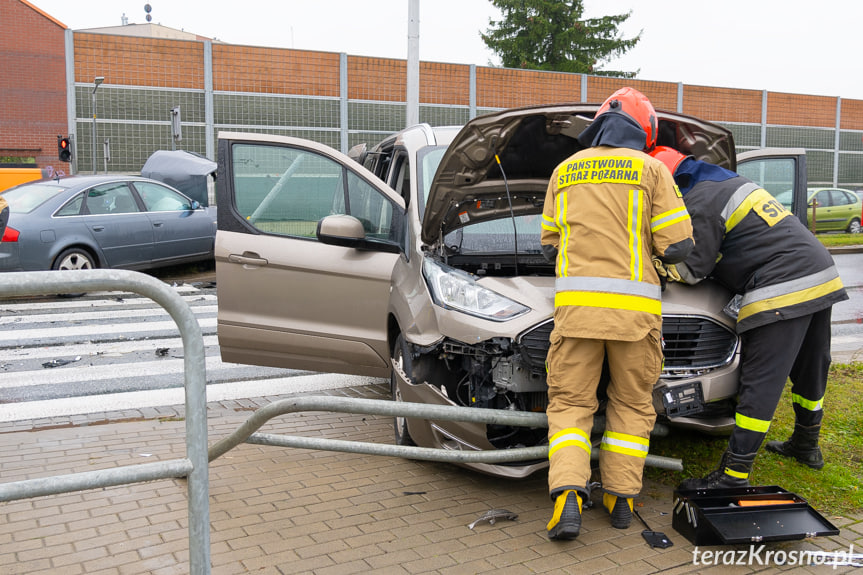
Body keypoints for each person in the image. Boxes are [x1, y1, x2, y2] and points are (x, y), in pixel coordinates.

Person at [540, 88, 694, 540]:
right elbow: (678, 245)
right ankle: (621, 498)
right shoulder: (650, 170)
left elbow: (549, 241)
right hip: (634, 321)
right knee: (631, 403)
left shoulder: (564, 171)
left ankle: (568, 494)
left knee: (570, 405)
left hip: (576, 317)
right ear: (644, 131)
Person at [649, 145, 849, 490]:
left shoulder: (700, 200)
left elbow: (691, 269)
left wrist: (654, 262)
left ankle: (733, 475)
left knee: (761, 380)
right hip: (818, 271)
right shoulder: (724, 183)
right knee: (811, 366)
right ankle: (806, 444)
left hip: (781, 282)